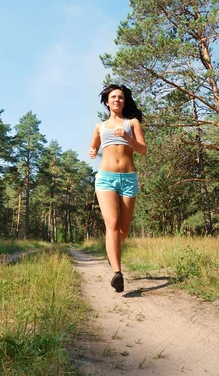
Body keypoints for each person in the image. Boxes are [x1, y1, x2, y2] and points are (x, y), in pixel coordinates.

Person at [89, 84, 147, 293]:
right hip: (105, 179)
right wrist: (93, 150)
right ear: (107, 102)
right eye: (113, 97)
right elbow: (94, 145)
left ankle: (112, 247)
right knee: (112, 224)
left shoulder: (133, 123)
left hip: (128, 179)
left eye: (120, 97)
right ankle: (117, 273)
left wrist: (127, 138)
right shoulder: (100, 126)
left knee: (122, 231)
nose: (117, 100)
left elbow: (142, 150)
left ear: (124, 101)